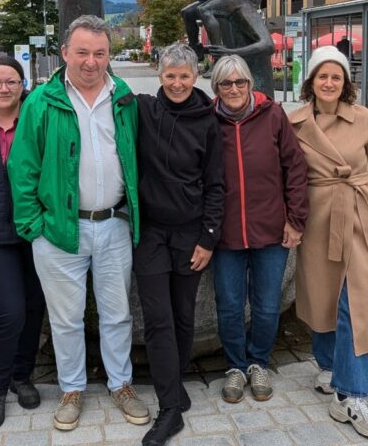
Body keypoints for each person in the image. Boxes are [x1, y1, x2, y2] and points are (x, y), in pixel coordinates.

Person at [7, 15, 150, 431]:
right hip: (58, 231)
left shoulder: (122, 97)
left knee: (117, 313)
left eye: (100, 53)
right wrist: (34, 226)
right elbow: (22, 168)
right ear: (65, 52)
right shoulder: (43, 101)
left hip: (113, 226)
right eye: (83, 52)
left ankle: (121, 383)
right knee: (66, 318)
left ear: (109, 56)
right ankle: (72, 388)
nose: (91, 61)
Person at [288, 46, 368, 439]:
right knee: (323, 299)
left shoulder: (365, 118)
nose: (330, 83)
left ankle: (351, 397)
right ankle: (329, 366)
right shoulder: (296, 123)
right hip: (319, 220)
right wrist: (289, 220)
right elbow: (287, 177)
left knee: (358, 305)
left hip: (360, 216)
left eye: (337, 77)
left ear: (346, 82)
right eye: (323, 76)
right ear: (311, 81)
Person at [134, 43, 225, 446]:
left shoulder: (208, 121)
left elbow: (217, 186)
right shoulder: (143, 111)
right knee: (157, 318)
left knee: (183, 316)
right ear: (159, 76)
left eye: (183, 76)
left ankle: (175, 383)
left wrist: (208, 238)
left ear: (195, 76)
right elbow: (96, 80)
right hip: (151, 233)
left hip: (190, 234)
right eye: (169, 76)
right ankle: (170, 405)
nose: (176, 83)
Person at [210, 55, 308, 404]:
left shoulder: (273, 116)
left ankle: (258, 362)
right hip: (225, 236)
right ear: (216, 88)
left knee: (267, 306)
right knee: (230, 305)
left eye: (240, 82)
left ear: (251, 85)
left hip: (271, 232)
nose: (234, 89)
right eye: (226, 83)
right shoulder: (209, 120)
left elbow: (295, 169)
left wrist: (296, 221)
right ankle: (235, 366)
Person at [0, 56, 46, 430]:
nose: (4, 89)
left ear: (22, 84)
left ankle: (22, 376)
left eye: (11, 82)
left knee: (34, 307)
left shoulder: (36, 116)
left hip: (36, 231)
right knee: (10, 311)